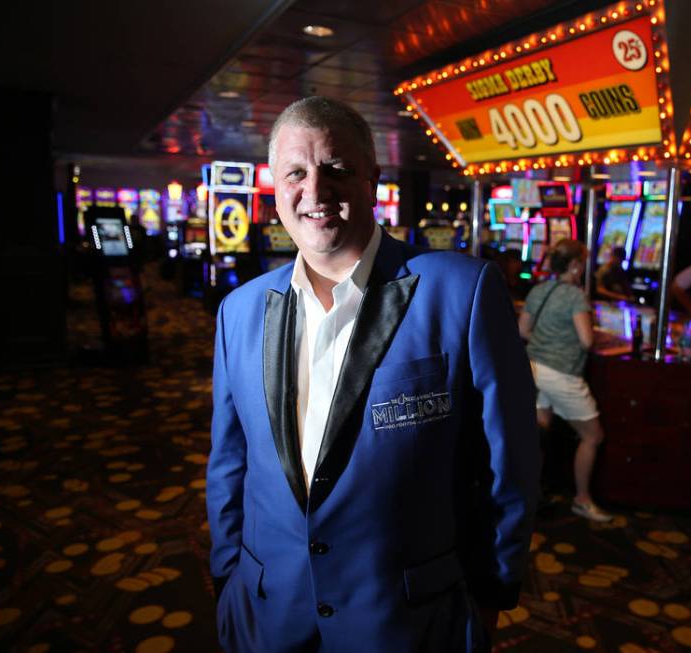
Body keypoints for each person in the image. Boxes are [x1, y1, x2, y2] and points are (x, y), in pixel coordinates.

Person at [206, 97, 539, 653]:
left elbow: (511, 462)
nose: (314, 190)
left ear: (372, 179)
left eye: (335, 168)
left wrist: (493, 594)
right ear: (275, 185)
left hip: (409, 621)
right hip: (268, 616)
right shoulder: (237, 312)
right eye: (295, 172)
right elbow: (229, 462)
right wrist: (225, 579)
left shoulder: (461, 291)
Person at [518, 239, 611, 523]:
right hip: (562, 374)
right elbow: (585, 340)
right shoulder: (574, 295)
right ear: (574, 265)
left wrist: (546, 343)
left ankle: (530, 495)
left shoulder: (539, 289)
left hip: (534, 368)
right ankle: (582, 499)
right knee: (593, 436)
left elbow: (522, 330)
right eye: (582, 262)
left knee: (539, 433)